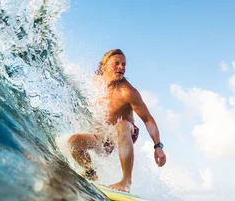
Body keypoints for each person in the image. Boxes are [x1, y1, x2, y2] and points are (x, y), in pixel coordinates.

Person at [68, 49, 166, 193]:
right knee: (74, 142)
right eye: (117, 64)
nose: (121, 67)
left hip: (126, 132)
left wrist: (158, 146)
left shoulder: (128, 92)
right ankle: (90, 173)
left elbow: (148, 119)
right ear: (104, 66)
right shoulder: (95, 82)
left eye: (124, 65)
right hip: (103, 138)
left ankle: (126, 180)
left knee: (122, 125)